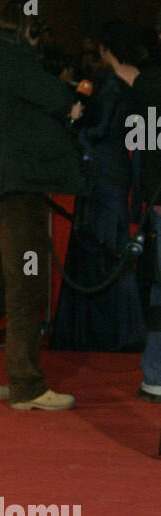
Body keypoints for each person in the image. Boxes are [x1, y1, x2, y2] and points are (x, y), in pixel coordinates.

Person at [0, 0, 84, 409]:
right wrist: (73, 103)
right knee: (26, 285)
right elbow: (60, 99)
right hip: (19, 189)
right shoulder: (18, 61)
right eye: (39, 29)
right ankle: (27, 384)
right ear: (28, 29)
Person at [49, 21, 145, 351]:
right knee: (117, 247)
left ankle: (99, 333)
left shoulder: (109, 85)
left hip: (101, 173)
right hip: (123, 170)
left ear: (105, 49)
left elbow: (98, 130)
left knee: (97, 246)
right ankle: (123, 330)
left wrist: (73, 126)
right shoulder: (140, 80)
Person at [102, 36, 161, 401]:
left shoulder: (147, 82)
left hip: (155, 199)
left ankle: (154, 372)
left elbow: (139, 140)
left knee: (158, 286)